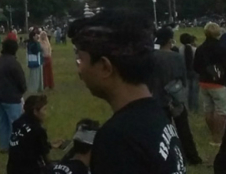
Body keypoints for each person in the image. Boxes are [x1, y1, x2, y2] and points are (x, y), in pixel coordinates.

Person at [68, 9, 186, 174]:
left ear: (105, 67)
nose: (79, 69)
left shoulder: (117, 140)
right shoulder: (156, 116)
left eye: (80, 59)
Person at [150, 27, 202, 165]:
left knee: (162, 132)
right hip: (176, 97)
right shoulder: (176, 57)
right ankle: (192, 157)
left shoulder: (152, 57)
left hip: (158, 98)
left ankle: (166, 158)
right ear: (169, 40)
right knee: (184, 130)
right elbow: (183, 78)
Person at [7, 94, 63, 174]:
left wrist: (49, 145)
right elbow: (47, 160)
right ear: (35, 111)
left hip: (12, 169)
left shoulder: (18, 122)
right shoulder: (38, 130)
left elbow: (26, 144)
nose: (46, 113)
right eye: (44, 109)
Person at [193, 22, 226, 146]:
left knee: (208, 109)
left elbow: (195, 66)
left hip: (204, 82)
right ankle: (218, 138)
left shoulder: (200, 48)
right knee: (221, 111)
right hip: (219, 83)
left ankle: (213, 133)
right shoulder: (222, 48)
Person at [0, 38, 27, 153]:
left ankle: (4, 146)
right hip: (11, 97)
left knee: (2, 122)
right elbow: (20, 80)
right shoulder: (13, 63)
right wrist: (23, 90)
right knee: (15, 123)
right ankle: (16, 146)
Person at [179, 33, 200, 113]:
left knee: (186, 90)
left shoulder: (180, 49)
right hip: (194, 71)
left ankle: (186, 107)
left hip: (184, 72)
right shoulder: (194, 49)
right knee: (194, 91)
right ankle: (194, 107)